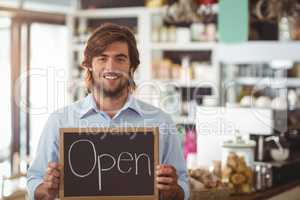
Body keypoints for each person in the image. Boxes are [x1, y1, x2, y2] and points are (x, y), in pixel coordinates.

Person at [27, 23, 189, 200]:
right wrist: (47, 189)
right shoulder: (60, 121)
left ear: (131, 67)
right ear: (89, 65)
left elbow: (182, 187)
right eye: (102, 58)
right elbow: (34, 182)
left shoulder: (160, 121)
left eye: (120, 59)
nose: (111, 67)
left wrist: (172, 190)